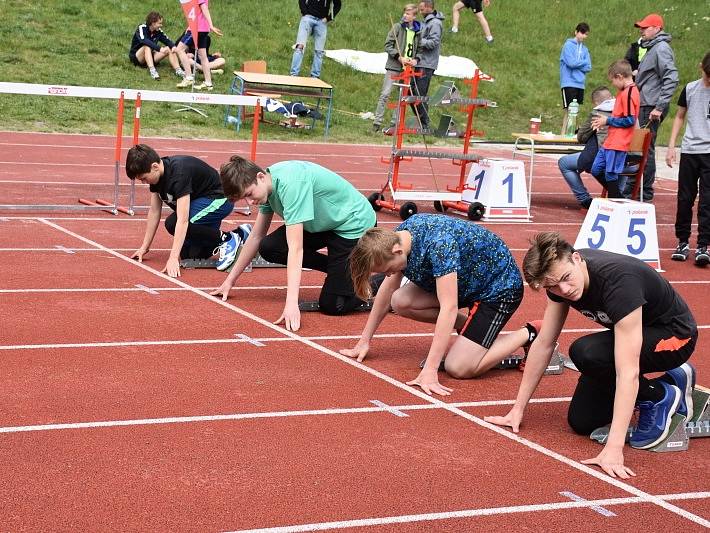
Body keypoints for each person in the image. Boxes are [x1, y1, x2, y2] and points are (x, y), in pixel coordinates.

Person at [486, 232, 698, 479]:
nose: (563, 290)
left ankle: (660, 396)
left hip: (674, 338)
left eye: (566, 279)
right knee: (582, 422)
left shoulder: (619, 283)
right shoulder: (557, 280)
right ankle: (672, 383)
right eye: (552, 286)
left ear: (576, 259)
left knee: (586, 352)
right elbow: (544, 343)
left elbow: (627, 371)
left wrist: (614, 449)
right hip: (636, 332)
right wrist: (517, 409)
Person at [340, 214, 543, 397]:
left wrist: (430, 369)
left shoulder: (439, 245)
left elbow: (449, 307)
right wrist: (364, 341)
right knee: (400, 301)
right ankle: (470, 329)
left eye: (388, 269)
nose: (389, 274)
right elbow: (387, 289)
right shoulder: (400, 236)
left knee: (459, 368)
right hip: (465, 280)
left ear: (397, 250)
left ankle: (531, 333)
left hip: (498, 289)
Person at [211, 157, 376, 331]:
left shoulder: (291, 185)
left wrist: (291, 303)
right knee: (269, 247)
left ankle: (375, 282)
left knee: (333, 305)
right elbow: (255, 237)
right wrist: (229, 281)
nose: (250, 203)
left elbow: (296, 249)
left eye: (249, 194)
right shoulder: (267, 186)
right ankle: (343, 271)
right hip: (322, 223)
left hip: (352, 225)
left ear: (260, 177)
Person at [126, 144, 248, 277]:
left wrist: (173, 258)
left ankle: (229, 238)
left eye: (144, 178)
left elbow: (183, 220)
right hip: (200, 206)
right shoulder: (156, 179)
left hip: (219, 200)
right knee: (191, 256)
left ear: (155, 167)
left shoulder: (178, 174)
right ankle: (242, 233)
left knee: (172, 223)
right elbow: (154, 211)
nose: (144, 182)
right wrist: (145, 247)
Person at [623, 13, 679, 202]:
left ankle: (643, 193)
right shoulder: (653, 47)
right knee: (642, 148)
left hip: (651, 106)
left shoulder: (661, 48)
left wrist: (660, 106)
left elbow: (671, 77)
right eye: (641, 27)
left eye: (645, 27)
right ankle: (638, 191)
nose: (642, 30)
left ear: (657, 29)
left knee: (645, 149)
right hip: (647, 103)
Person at [666, 52, 710, 267]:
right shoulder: (691, 88)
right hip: (691, 150)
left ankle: (703, 245)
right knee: (685, 198)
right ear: (701, 67)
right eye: (707, 75)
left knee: (707, 200)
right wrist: (672, 145)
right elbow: (680, 116)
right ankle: (682, 242)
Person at [590, 60, 640, 199]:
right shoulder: (624, 92)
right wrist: (604, 122)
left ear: (620, 76)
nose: (612, 84)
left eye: (613, 80)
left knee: (610, 173)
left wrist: (607, 120)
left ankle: (616, 200)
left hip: (619, 142)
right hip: (611, 140)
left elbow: (630, 120)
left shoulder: (630, 93)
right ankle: (617, 195)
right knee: (596, 169)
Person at [558, 86, 614, 209]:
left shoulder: (598, 113)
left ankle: (584, 199)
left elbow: (581, 137)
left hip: (604, 156)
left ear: (596, 103)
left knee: (564, 163)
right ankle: (621, 191)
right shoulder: (626, 111)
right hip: (629, 159)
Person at [373, 4, 421, 133]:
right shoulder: (397, 27)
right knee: (385, 94)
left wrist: (415, 59)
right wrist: (398, 57)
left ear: (414, 16)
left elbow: (420, 49)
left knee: (402, 97)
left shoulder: (418, 31)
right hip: (394, 66)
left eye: (408, 14)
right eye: (405, 13)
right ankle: (377, 122)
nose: (405, 15)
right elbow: (388, 45)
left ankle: (394, 124)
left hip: (407, 69)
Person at [176, 0, 223, 91]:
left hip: (197, 28)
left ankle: (189, 77)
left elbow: (204, 7)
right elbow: (195, 11)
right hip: (203, 29)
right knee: (203, 57)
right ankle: (208, 83)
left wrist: (211, 25)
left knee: (179, 49)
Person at [412, 1, 444, 130]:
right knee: (410, 91)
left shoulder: (435, 23)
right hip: (419, 62)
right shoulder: (426, 22)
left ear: (429, 8)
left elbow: (433, 43)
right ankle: (421, 120)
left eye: (421, 9)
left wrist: (418, 40)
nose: (420, 11)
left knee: (420, 94)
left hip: (427, 64)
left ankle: (425, 124)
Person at [290, 0, 342, 79]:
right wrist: (304, 12)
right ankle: (293, 75)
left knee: (319, 51)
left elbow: (338, 4)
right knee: (299, 47)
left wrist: (329, 18)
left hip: (322, 22)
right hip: (308, 18)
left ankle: (315, 77)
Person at [128, 11, 184, 80]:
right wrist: (159, 49)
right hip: (137, 58)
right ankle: (152, 71)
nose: (161, 25)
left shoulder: (158, 31)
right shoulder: (142, 28)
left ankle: (178, 71)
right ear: (153, 23)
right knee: (147, 46)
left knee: (169, 48)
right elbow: (144, 40)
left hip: (150, 56)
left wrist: (173, 47)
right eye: (159, 23)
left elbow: (167, 40)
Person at [559, 22, 591, 134]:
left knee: (575, 111)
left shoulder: (585, 49)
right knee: (569, 111)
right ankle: (563, 134)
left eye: (586, 34)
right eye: (582, 33)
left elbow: (589, 66)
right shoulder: (567, 46)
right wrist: (583, 63)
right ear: (576, 32)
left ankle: (574, 134)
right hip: (568, 83)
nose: (584, 36)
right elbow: (571, 63)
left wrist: (579, 64)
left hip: (580, 83)